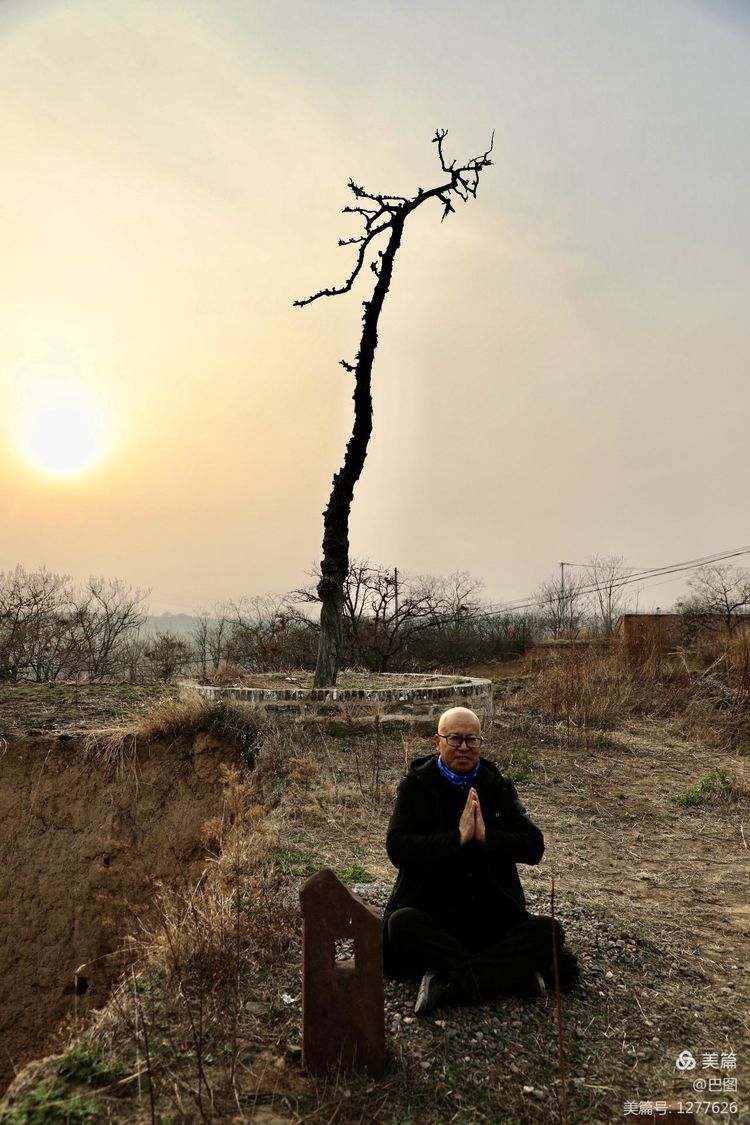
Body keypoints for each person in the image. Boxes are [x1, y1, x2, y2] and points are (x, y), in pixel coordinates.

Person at [383, 705, 578, 1017]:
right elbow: (398, 848)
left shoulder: (495, 786)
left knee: (550, 932)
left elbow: (534, 846)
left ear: (480, 743)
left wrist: (487, 837)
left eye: (471, 740)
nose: (463, 747)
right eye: (454, 739)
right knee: (400, 925)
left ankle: (451, 984)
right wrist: (457, 838)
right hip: (433, 913)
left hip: (491, 914)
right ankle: (509, 974)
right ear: (438, 742)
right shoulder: (417, 786)